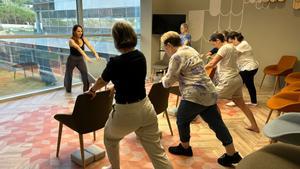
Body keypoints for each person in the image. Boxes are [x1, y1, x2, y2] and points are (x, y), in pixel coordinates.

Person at [88, 21, 172, 169]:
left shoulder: (115, 62)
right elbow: (132, 77)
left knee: (110, 138)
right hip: (146, 108)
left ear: (117, 40)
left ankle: (115, 168)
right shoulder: (140, 56)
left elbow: (102, 81)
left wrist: (93, 89)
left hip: (125, 113)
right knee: (157, 153)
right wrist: (117, 84)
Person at [161, 31, 242, 167]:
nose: (165, 51)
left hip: (194, 94)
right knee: (217, 124)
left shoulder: (176, 56)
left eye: (165, 48)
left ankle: (185, 148)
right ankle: (231, 153)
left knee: (181, 119)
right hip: (209, 91)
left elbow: (167, 82)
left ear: (169, 45)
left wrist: (162, 79)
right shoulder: (190, 49)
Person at [205, 33, 259, 133]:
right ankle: (254, 126)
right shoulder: (233, 47)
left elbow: (213, 63)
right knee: (242, 104)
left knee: (210, 99)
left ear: (217, 40)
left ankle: (220, 129)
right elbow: (224, 63)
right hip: (237, 79)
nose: (214, 47)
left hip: (229, 80)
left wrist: (200, 70)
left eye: (214, 44)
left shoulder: (223, 48)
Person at [226, 31, 259, 106]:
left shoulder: (243, 44)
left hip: (249, 68)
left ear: (235, 38)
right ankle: (254, 102)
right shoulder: (239, 45)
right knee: (249, 84)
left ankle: (235, 101)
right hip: (249, 68)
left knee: (237, 84)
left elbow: (232, 53)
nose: (231, 44)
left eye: (231, 42)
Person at [64, 24, 100, 93]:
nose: (80, 33)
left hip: (80, 59)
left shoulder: (83, 39)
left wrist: (95, 53)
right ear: (74, 32)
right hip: (72, 59)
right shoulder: (71, 41)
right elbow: (78, 48)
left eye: (81, 31)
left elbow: (90, 46)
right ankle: (68, 90)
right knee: (69, 75)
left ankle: (86, 91)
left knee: (85, 74)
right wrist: (86, 57)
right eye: (78, 31)